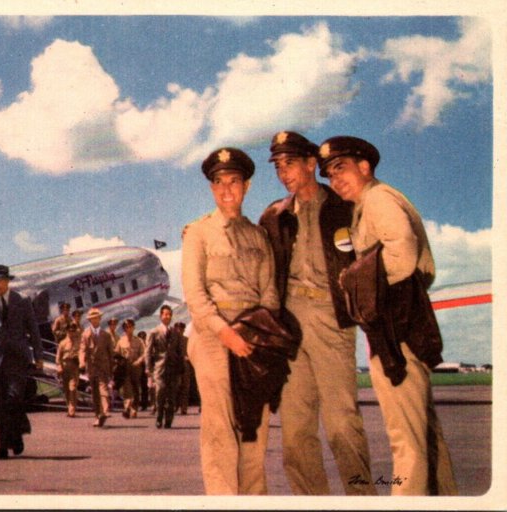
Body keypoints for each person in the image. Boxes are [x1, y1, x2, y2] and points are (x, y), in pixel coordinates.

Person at [319, 135, 457, 495]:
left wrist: (356, 288)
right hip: (402, 323)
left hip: (395, 327)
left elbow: (403, 253)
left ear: (365, 167)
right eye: (330, 176)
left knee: (405, 439)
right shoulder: (372, 202)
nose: (336, 180)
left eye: (341, 169)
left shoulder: (378, 199)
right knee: (424, 433)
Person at [258, 131, 375, 495]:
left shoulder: (345, 208)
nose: (283, 172)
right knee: (295, 434)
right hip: (289, 323)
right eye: (277, 166)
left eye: (290, 163)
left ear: (312, 164)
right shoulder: (273, 216)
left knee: (342, 425)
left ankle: (363, 500)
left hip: (331, 319)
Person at [181, 146, 279, 495]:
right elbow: (195, 294)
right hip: (212, 338)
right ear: (211, 188)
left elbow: (269, 295)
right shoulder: (197, 233)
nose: (226, 190)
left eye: (233, 182)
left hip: (254, 339)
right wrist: (226, 334)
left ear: (247, 186)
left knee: (255, 430)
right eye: (218, 182)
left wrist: (256, 335)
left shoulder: (259, 237)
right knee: (221, 431)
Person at [0, 264, 44, 459]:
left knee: (14, 399)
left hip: (17, 358)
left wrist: (38, 356)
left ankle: (17, 433)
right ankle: (3, 447)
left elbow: (33, 329)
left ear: (7, 282)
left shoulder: (22, 301)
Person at [145, 305, 185, 429]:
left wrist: (181, 367)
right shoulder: (154, 332)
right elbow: (148, 351)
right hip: (159, 368)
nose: (167, 316)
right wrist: (148, 367)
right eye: (165, 314)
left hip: (173, 368)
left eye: (169, 314)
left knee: (172, 395)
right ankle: (159, 415)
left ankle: (169, 419)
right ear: (160, 316)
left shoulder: (175, 332)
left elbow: (180, 351)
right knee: (160, 391)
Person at [78, 307, 114, 427]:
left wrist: (111, 367)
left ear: (100, 319)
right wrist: (82, 362)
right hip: (92, 367)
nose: (95, 320)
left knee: (103, 389)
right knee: (94, 393)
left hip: (103, 367)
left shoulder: (106, 335)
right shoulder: (86, 334)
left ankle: (105, 411)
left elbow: (111, 353)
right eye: (92, 319)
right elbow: (82, 349)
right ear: (90, 320)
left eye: (96, 318)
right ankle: (98, 416)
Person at [114, 318, 145, 418]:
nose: (129, 329)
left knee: (135, 388)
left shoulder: (139, 341)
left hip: (135, 367)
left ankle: (134, 408)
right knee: (127, 388)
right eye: (126, 327)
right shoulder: (121, 341)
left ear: (133, 327)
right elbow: (116, 353)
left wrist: (139, 361)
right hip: (125, 367)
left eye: (130, 327)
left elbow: (144, 354)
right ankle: (127, 407)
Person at [55, 322, 82, 417]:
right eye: (69, 331)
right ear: (67, 331)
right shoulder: (62, 343)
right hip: (65, 367)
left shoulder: (78, 342)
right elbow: (58, 357)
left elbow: (82, 353)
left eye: (73, 331)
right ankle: (69, 406)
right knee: (66, 389)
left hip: (74, 366)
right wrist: (59, 366)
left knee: (73, 388)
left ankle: (72, 409)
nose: (71, 333)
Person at [174, 322, 194, 415]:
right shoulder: (171, 340)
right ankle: (175, 405)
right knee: (176, 387)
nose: (179, 330)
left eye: (181, 329)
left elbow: (191, 352)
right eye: (178, 328)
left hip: (185, 366)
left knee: (185, 387)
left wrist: (188, 357)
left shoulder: (187, 340)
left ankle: (184, 408)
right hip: (175, 366)